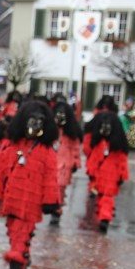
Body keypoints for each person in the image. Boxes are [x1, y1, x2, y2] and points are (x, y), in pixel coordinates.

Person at [0, 98, 61, 269]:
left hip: (31, 202)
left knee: (21, 232)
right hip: (11, 199)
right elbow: (0, 172)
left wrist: (50, 201)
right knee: (14, 233)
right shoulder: (12, 146)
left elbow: (51, 179)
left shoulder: (47, 152)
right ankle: (23, 256)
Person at [85, 108, 130, 233]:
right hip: (99, 174)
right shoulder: (98, 143)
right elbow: (92, 158)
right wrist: (91, 172)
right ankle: (103, 216)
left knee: (107, 197)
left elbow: (122, 160)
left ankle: (105, 218)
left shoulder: (117, 146)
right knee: (100, 197)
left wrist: (122, 175)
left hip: (111, 174)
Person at [51, 93, 83, 226]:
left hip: (65, 163)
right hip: (51, 161)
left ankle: (56, 210)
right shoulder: (50, 130)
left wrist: (76, 163)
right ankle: (52, 205)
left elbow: (76, 148)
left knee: (60, 187)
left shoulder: (72, 131)